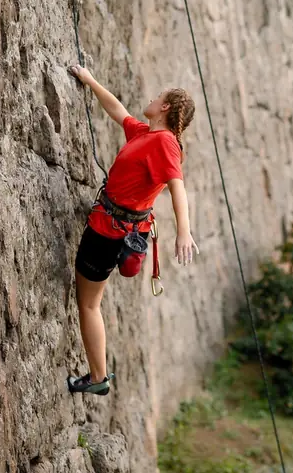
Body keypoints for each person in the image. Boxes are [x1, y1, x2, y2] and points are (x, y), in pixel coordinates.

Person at [66, 64, 199, 396]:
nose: (151, 99)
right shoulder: (146, 134)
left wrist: (184, 230)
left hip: (108, 233)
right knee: (89, 302)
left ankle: (98, 377)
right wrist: (90, 80)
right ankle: (98, 375)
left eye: (158, 97)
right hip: (109, 226)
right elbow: (118, 111)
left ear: (165, 108)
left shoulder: (165, 143)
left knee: (89, 305)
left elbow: (177, 186)